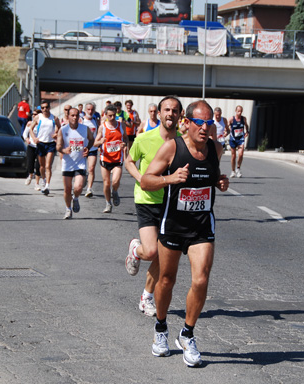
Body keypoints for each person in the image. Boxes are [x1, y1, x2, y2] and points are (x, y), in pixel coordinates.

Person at [141, 100, 229, 367]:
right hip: (174, 225)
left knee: (201, 279)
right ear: (187, 123)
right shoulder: (172, 148)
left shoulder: (216, 148)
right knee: (166, 280)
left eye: (209, 123)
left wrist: (221, 181)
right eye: (199, 123)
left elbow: (212, 177)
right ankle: (160, 329)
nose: (204, 128)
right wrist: (170, 179)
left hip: (202, 226)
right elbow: (146, 180)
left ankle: (188, 334)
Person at [124, 96, 183, 317]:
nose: (170, 114)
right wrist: (141, 179)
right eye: (166, 110)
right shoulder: (144, 138)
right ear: (159, 114)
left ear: (180, 115)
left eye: (174, 110)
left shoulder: (183, 142)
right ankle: (135, 250)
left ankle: (146, 297)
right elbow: (129, 161)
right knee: (150, 251)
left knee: (163, 255)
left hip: (173, 204)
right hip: (147, 200)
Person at [56, 108, 95, 219]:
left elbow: (91, 139)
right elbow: (58, 146)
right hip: (67, 163)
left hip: (80, 163)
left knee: (78, 187)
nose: (75, 117)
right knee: (67, 189)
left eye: (77, 115)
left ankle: (76, 198)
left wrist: (88, 148)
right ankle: (68, 209)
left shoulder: (85, 129)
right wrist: (64, 151)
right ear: (68, 116)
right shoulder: (63, 130)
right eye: (72, 115)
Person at [93, 104, 127, 213]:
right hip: (105, 158)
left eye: (114, 115)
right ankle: (108, 204)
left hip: (117, 159)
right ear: (106, 115)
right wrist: (100, 142)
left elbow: (125, 138)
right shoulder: (102, 127)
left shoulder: (121, 125)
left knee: (115, 182)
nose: (112, 118)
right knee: (106, 183)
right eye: (110, 116)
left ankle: (115, 191)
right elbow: (94, 143)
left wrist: (124, 144)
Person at [30, 101, 61, 196]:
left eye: (46, 107)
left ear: (49, 108)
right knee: (42, 166)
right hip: (41, 143)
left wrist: (56, 134)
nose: (44, 109)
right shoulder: (38, 117)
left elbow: (60, 128)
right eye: (42, 108)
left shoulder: (54, 118)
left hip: (50, 143)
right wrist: (34, 138)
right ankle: (43, 180)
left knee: (48, 166)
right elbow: (31, 128)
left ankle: (47, 185)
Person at [82, 103, 99, 198]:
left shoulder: (96, 121)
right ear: (85, 110)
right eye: (88, 109)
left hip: (92, 148)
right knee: (82, 169)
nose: (90, 111)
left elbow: (99, 133)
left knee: (91, 168)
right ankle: (83, 180)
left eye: (92, 110)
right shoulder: (81, 120)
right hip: (82, 149)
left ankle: (89, 189)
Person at [228, 105, 249, 178]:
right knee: (233, 156)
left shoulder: (243, 119)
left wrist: (247, 132)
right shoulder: (231, 119)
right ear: (235, 111)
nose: (239, 113)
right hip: (233, 139)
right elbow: (227, 127)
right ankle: (233, 171)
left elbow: (246, 125)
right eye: (238, 111)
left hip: (240, 139)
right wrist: (226, 132)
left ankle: (238, 169)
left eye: (241, 111)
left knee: (241, 154)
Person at [23, 108, 41, 186]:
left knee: (38, 165)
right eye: (33, 114)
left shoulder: (42, 124)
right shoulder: (30, 123)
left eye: (35, 114)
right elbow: (24, 134)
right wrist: (27, 139)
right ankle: (30, 175)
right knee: (30, 163)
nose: (33, 116)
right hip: (31, 146)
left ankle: (37, 183)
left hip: (40, 146)